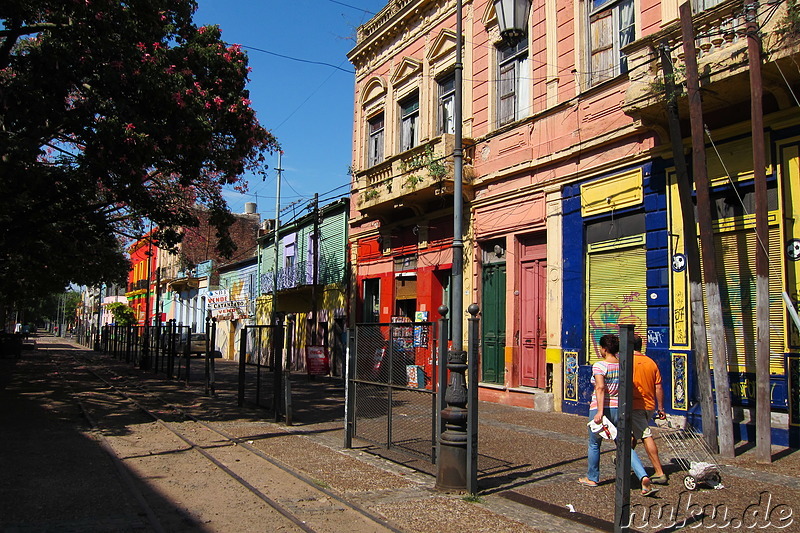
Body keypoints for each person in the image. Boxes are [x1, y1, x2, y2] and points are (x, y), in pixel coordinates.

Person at [579, 334, 659, 496]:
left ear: (605, 349)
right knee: (623, 445)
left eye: (601, 348)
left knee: (594, 444)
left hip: (601, 409)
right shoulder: (623, 366)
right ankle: (642, 476)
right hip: (619, 409)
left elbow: (600, 388)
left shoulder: (600, 366)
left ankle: (592, 477)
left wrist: (600, 412)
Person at [631, 334, 668, 484]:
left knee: (645, 435)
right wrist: (661, 408)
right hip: (649, 405)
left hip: (635, 405)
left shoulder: (626, 362)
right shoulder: (651, 363)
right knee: (634, 433)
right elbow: (658, 386)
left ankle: (659, 471)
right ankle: (624, 460)